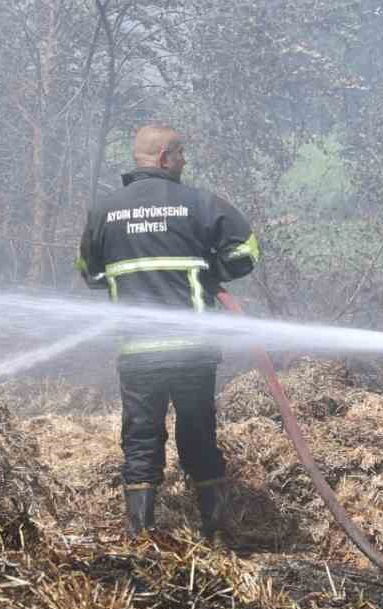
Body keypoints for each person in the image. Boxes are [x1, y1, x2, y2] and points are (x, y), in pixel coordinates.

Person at [77, 123, 259, 539]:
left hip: (139, 352)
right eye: (181, 154)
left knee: (141, 440)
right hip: (192, 350)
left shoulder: (104, 211)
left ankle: (139, 536)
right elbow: (247, 250)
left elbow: (88, 272)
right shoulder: (198, 203)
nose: (184, 161)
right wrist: (211, 271)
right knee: (199, 437)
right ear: (164, 158)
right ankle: (215, 534)